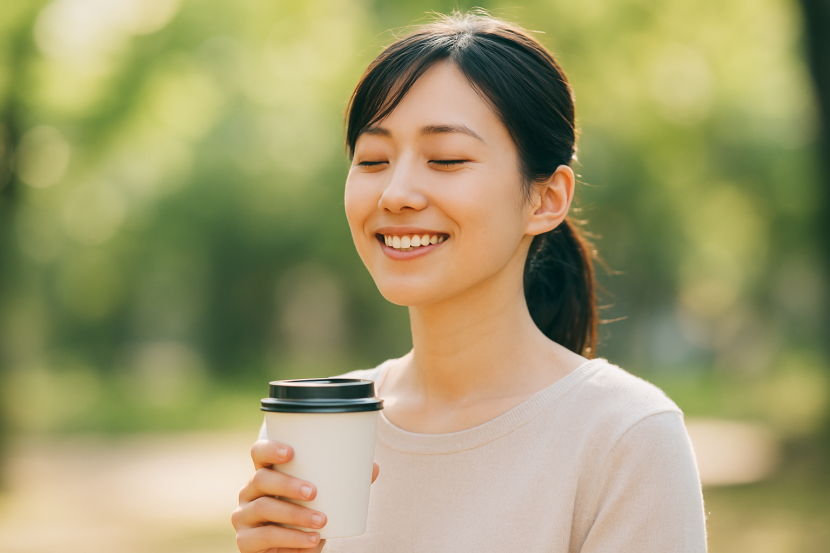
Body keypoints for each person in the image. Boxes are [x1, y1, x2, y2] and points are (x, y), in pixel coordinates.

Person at [232, 11, 707, 553]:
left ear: (546, 199)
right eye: (373, 159)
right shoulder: (318, 426)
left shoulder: (626, 437)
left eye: (446, 159)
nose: (395, 193)